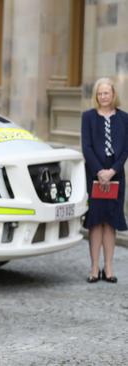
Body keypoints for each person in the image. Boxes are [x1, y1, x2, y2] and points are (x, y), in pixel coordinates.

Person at [81, 77, 127, 284]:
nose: (103, 97)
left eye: (106, 93)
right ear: (96, 96)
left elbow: (126, 149)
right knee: (95, 222)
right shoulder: (88, 117)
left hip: (116, 176)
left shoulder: (124, 118)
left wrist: (112, 170)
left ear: (113, 95)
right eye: (100, 93)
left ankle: (108, 267)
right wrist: (100, 171)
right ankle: (94, 268)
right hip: (94, 176)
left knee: (111, 222)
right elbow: (87, 147)